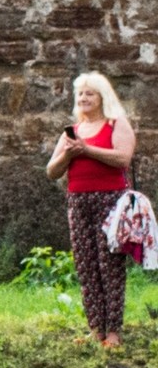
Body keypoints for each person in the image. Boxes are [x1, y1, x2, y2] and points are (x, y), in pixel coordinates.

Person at [47, 71, 136, 349]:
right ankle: (95, 329)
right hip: (78, 203)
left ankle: (113, 332)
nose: (84, 98)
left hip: (111, 202)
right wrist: (69, 153)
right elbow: (52, 171)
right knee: (86, 266)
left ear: (102, 97)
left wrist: (87, 150)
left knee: (110, 265)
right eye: (81, 94)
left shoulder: (115, 123)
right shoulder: (73, 131)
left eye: (90, 93)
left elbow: (123, 158)